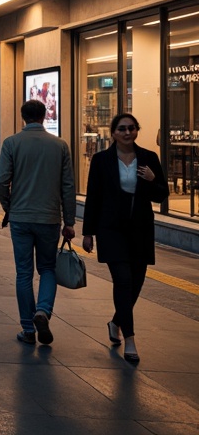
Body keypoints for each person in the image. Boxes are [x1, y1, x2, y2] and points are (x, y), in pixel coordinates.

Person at [82, 113, 168, 365]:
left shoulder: (149, 158)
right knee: (123, 280)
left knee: (137, 283)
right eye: (122, 129)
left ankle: (117, 321)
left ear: (137, 130)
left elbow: (160, 196)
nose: (127, 132)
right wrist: (88, 232)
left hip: (140, 229)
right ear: (113, 133)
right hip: (111, 230)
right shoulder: (101, 160)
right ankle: (129, 338)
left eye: (131, 128)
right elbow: (93, 197)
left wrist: (153, 181)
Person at [0, 99, 76, 346]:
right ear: (44, 116)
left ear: (23, 117)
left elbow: (0, 181)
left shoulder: (11, 143)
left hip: (20, 217)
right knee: (48, 268)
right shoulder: (60, 146)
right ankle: (43, 311)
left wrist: (9, 206)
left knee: (24, 272)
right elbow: (68, 187)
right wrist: (69, 221)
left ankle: (28, 328)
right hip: (49, 218)